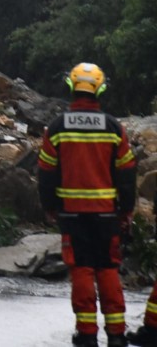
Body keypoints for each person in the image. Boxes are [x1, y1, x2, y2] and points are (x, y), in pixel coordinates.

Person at [37, 62, 136, 347]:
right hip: (107, 214)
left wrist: (50, 206)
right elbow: (127, 175)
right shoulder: (115, 128)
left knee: (81, 270)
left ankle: (87, 334)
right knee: (107, 269)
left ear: (71, 87)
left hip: (71, 213)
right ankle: (117, 335)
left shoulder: (56, 128)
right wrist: (126, 211)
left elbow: (45, 173)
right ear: (100, 89)